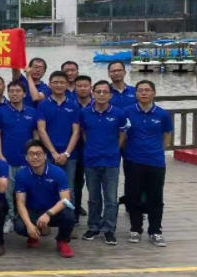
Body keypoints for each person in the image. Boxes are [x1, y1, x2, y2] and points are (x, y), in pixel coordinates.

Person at [122, 80, 173, 246]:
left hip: (156, 161)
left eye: (147, 90)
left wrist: (157, 151)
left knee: (156, 197)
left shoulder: (162, 114)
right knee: (133, 195)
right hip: (133, 160)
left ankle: (155, 231)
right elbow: (122, 134)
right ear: (135, 93)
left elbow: (166, 135)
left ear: (154, 93)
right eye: (140, 90)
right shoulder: (127, 112)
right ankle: (135, 229)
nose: (143, 93)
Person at [80, 80, 128, 245]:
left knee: (111, 198)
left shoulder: (119, 113)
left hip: (111, 161)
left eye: (105, 92)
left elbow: (122, 134)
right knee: (93, 197)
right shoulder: (85, 113)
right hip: (91, 160)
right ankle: (93, 226)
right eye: (98, 91)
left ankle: (109, 229)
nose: (101, 94)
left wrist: (115, 149)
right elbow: (84, 132)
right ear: (92, 93)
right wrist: (91, 147)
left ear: (110, 95)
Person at [13, 140, 75, 258]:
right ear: (26, 157)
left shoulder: (58, 172)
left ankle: (62, 241)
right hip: (33, 211)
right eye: (31, 154)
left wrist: (48, 213)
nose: (35, 157)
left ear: (45, 156)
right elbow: (20, 203)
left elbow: (66, 199)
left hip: (53, 211)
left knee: (69, 215)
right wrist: (29, 225)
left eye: (39, 153)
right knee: (20, 226)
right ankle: (34, 234)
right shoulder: (21, 174)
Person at [0, 80, 38, 234]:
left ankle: (26, 218)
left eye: (18, 91)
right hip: (7, 159)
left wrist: (35, 155)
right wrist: (0, 155)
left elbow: (35, 134)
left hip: (27, 161)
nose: (14, 94)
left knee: (27, 192)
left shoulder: (32, 112)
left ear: (24, 94)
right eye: (11, 91)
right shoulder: (1, 112)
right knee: (7, 193)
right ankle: (10, 218)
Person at [36, 71, 81, 221]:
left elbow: (76, 131)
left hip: (70, 155)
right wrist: (53, 152)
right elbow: (41, 130)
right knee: (46, 187)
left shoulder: (73, 105)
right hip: (48, 154)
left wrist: (66, 153)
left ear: (67, 84)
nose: (59, 85)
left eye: (62, 82)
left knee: (69, 188)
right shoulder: (43, 105)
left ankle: (69, 221)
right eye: (55, 82)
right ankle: (47, 220)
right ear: (49, 84)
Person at [71, 75, 93, 221]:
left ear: (91, 87)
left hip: (94, 150)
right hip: (75, 149)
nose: (83, 88)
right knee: (76, 182)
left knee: (93, 184)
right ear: (75, 88)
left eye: (85, 86)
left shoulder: (98, 104)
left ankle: (95, 216)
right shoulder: (71, 105)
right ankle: (75, 211)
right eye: (79, 86)